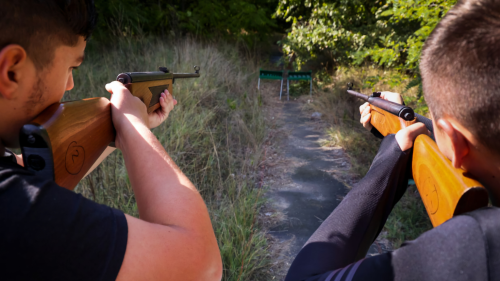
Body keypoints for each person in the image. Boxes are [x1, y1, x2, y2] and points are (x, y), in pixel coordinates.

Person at [0, 1, 222, 280]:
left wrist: (119, 131)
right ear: (11, 72)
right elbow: (203, 264)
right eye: (71, 68)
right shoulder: (12, 207)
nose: (70, 85)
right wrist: (132, 126)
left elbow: (34, 173)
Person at [285, 0, 500, 280]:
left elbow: (302, 277)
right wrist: (406, 119)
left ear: (456, 143)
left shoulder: (479, 246)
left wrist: (389, 162)